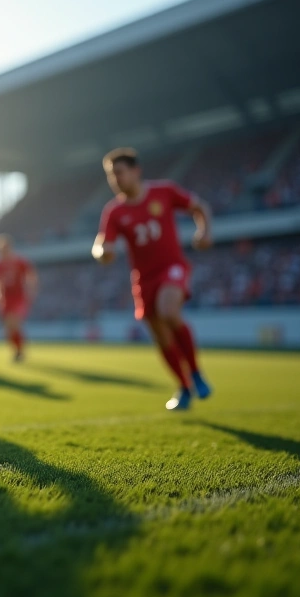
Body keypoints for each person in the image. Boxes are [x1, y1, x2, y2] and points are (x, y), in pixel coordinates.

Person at [92, 147, 214, 410]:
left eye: (120, 173)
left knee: (168, 311)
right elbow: (102, 245)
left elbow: (199, 207)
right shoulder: (113, 211)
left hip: (172, 267)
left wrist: (204, 231)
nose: (116, 180)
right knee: (160, 336)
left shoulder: (164, 192)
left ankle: (195, 372)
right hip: (143, 279)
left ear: (136, 171)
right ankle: (183, 388)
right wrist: (103, 253)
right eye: (111, 176)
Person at [0, 234, 36, 362]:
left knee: (14, 322)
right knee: (8, 330)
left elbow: (31, 276)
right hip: (5, 299)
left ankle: (19, 351)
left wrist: (31, 291)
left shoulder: (20, 261)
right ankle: (17, 350)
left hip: (18, 297)